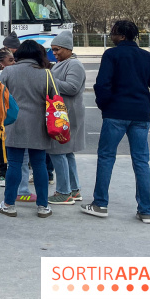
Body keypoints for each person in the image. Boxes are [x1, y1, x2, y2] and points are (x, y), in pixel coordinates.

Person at [82, 20, 150, 224]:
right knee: (141, 161)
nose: (111, 36)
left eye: (112, 32)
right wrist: (148, 105)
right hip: (140, 114)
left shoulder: (112, 55)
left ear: (120, 35)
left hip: (115, 112)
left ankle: (100, 203)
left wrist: (105, 105)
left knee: (106, 157)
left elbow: (102, 84)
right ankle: (146, 210)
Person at [0, 39, 55, 219]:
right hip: (40, 125)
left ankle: (9, 204)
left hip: (14, 123)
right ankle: (43, 206)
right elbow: (55, 99)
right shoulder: (46, 74)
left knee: (14, 164)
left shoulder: (8, 72)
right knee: (39, 165)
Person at [47, 30, 86, 205]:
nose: (54, 53)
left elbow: (72, 88)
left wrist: (47, 80)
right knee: (67, 153)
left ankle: (64, 192)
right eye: (53, 50)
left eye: (57, 50)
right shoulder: (64, 63)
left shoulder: (74, 65)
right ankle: (74, 190)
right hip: (64, 113)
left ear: (67, 48)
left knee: (57, 151)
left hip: (66, 115)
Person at [0, 48, 15, 187]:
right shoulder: (1, 76)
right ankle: (3, 173)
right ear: (1, 63)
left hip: (8, 115)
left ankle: (4, 172)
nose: (14, 63)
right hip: (4, 116)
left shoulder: (9, 73)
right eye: (10, 60)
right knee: (2, 146)